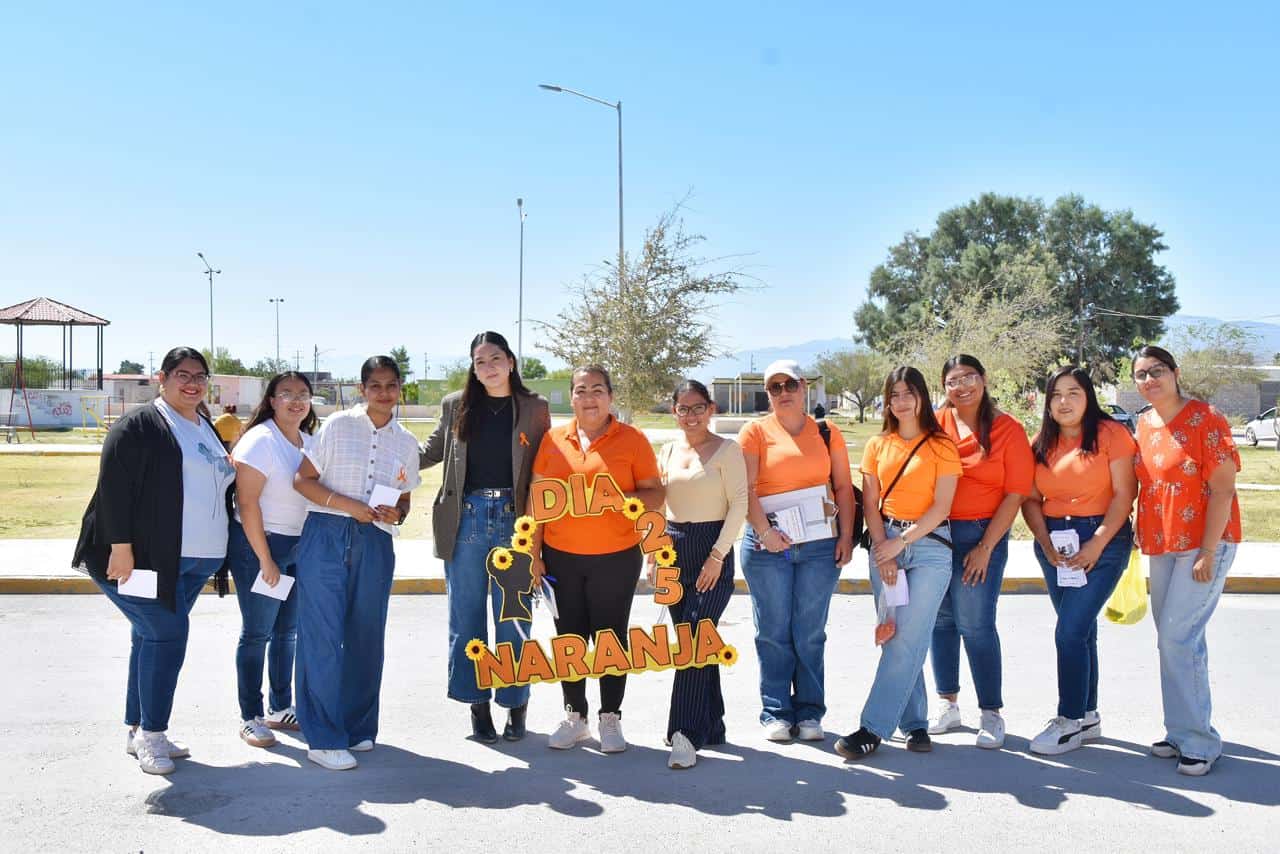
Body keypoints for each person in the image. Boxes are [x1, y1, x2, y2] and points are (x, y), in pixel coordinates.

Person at [72, 346, 236, 775]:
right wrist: (121, 547)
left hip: (195, 561)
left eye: (199, 376)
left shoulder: (204, 424)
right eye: (182, 374)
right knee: (166, 634)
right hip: (145, 560)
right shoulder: (140, 425)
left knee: (149, 638)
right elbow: (113, 487)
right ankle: (153, 734)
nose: (192, 383)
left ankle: (137, 729)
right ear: (161, 378)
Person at [419, 332, 550, 743]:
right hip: (466, 520)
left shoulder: (534, 407)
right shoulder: (456, 405)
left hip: (516, 522)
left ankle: (515, 703)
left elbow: (548, 464)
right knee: (467, 618)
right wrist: (383, 456)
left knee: (514, 619)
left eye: (495, 358)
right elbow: (431, 451)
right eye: (480, 361)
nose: (488, 367)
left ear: (510, 362)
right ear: (473, 369)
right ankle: (477, 704)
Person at [291, 356, 421, 771]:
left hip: (376, 542)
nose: (384, 393)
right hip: (326, 533)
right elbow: (302, 480)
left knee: (367, 635)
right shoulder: (337, 426)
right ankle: (322, 737)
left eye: (391, 385)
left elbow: (405, 498)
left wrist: (397, 514)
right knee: (322, 636)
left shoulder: (406, 442)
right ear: (362, 389)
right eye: (375, 385)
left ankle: (358, 726)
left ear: (399, 389)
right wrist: (349, 505)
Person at [528, 366, 664, 753]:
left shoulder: (633, 440)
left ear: (610, 396)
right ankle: (575, 717)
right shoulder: (553, 440)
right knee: (569, 639)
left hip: (616, 558)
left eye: (598, 390)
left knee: (610, 639)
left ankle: (610, 718)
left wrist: (623, 501)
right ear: (571, 397)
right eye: (582, 390)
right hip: (561, 558)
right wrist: (533, 552)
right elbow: (537, 499)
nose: (590, 398)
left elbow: (656, 494)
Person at [834, 366, 960, 760]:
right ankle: (916, 723)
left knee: (908, 635)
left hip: (930, 546)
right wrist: (883, 548)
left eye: (909, 393)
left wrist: (900, 543)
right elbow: (871, 504)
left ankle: (872, 728)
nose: (901, 402)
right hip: (885, 541)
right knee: (897, 634)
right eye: (894, 395)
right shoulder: (878, 445)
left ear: (922, 396)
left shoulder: (942, 446)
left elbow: (942, 507)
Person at [1132, 345, 1242, 776]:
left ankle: (1200, 741)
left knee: (1179, 637)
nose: (1149, 380)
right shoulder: (1144, 422)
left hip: (1203, 544)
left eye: (1157, 371)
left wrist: (1209, 551)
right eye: (1141, 374)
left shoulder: (1206, 419)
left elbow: (1224, 489)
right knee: (1171, 639)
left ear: (1176, 373)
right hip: (1162, 543)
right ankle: (1179, 731)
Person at [1021, 365, 1137, 756]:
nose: (1064, 402)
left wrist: (1097, 544)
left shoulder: (1111, 434)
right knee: (1081, 631)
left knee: (1069, 632)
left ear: (1088, 396)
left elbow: (1124, 494)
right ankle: (1088, 715)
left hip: (1103, 540)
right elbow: (1030, 499)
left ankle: (1068, 722)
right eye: (1056, 395)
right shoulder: (1040, 443)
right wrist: (1044, 542)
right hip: (1055, 544)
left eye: (1073, 393)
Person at [739, 359, 856, 743]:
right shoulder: (755, 432)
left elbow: (843, 487)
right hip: (767, 546)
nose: (783, 392)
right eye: (775, 387)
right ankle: (776, 712)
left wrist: (846, 536)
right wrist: (765, 532)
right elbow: (745, 490)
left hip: (820, 546)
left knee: (809, 632)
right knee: (773, 631)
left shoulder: (826, 431)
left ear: (804, 386)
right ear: (767, 393)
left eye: (790, 384)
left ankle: (809, 713)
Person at [927, 355, 1034, 749]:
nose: (963, 387)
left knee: (975, 624)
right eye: (953, 381)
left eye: (969, 377)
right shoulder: (933, 424)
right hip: (936, 534)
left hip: (981, 534)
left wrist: (986, 546)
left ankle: (991, 711)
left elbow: (1016, 493)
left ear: (984, 380)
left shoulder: (1008, 429)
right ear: (944, 387)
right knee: (940, 621)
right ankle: (948, 704)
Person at [655, 379, 748, 769]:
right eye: (683, 408)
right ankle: (711, 724)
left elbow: (739, 503)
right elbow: (658, 504)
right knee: (694, 638)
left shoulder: (728, 450)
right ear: (674, 411)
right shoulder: (667, 450)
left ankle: (685, 733)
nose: (690, 415)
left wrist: (717, 555)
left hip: (712, 547)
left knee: (693, 639)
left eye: (698, 407)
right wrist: (655, 553)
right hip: (674, 548)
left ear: (711, 409)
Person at [226, 372, 317, 748]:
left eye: (303, 394)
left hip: (297, 547)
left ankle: (280, 707)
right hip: (259, 547)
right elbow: (247, 503)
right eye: (287, 394)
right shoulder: (261, 440)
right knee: (257, 633)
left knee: (286, 632)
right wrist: (266, 559)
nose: (296, 401)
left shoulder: (309, 441)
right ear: (272, 400)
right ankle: (251, 715)